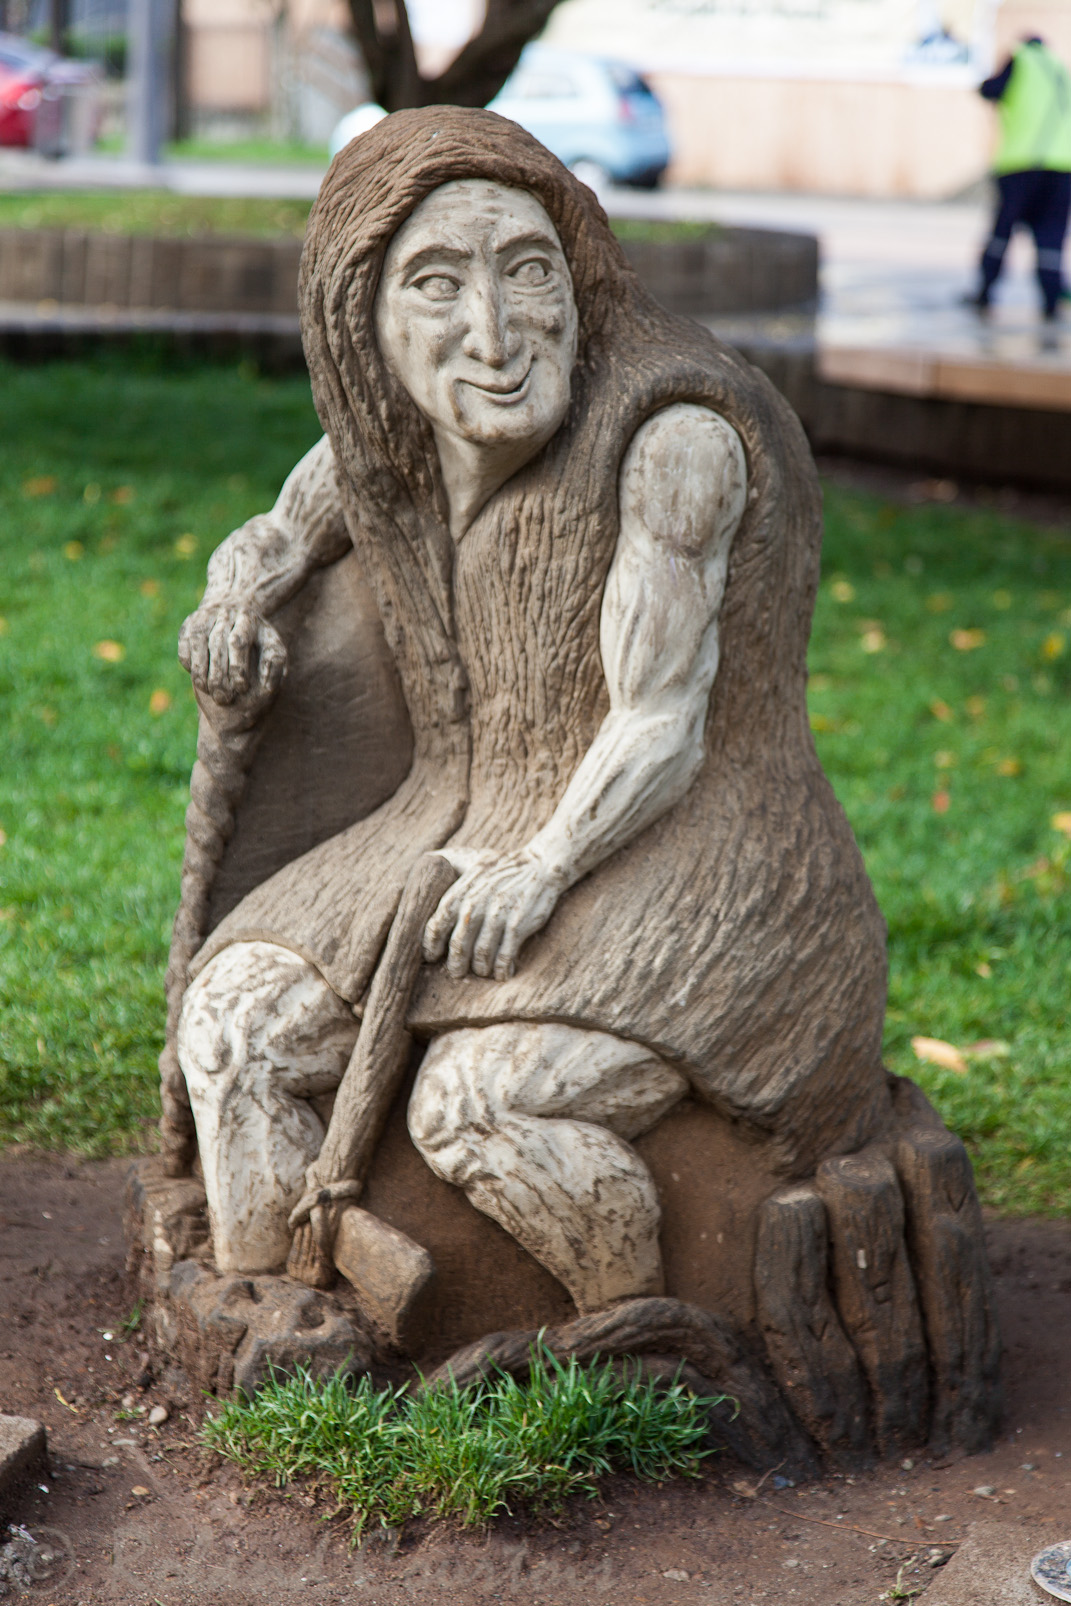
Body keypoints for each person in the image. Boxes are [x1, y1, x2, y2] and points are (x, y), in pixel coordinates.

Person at [169, 108, 890, 1317]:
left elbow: (665, 718)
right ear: (367, 322)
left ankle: (639, 1341)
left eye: (527, 274)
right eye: (438, 286)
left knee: (482, 1105)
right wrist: (233, 598)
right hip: (453, 823)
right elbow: (285, 532)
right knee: (232, 1031)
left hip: (691, 855)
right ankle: (276, 1316)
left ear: (578, 274)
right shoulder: (388, 435)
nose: (495, 336)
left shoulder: (671, 442)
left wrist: (544, 866)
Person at [970, 35, 1071, 317]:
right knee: (1051, 238)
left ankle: (985, 292)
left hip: (1022, 166)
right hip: (1062, 169)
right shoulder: (1061, 69)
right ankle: (1051, 303)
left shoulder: (1020, 59)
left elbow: (990, 90)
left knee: (1002, 232)